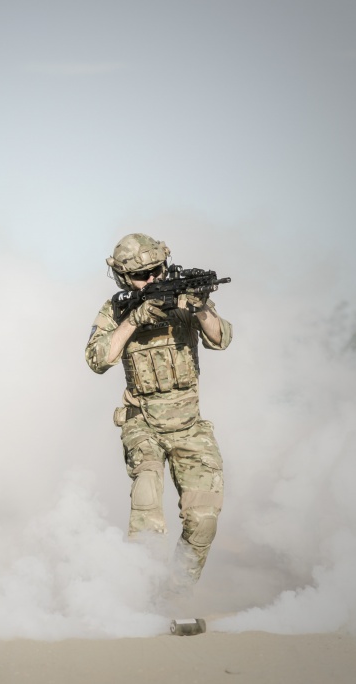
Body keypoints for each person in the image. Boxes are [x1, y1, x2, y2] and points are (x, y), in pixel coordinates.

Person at [84, 233, 232, 586]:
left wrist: (199, 307)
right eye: (141, 275)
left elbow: (221, 338)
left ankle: (176, 592)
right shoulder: (115, 309)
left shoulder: (186, 297)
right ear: (123, 277)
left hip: (190, 425)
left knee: (204, 519)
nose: (151, 279)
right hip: (143, 423)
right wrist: (135, 319)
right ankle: (142, 593)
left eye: (157, 271)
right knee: (147, 506)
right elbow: (97, 359)